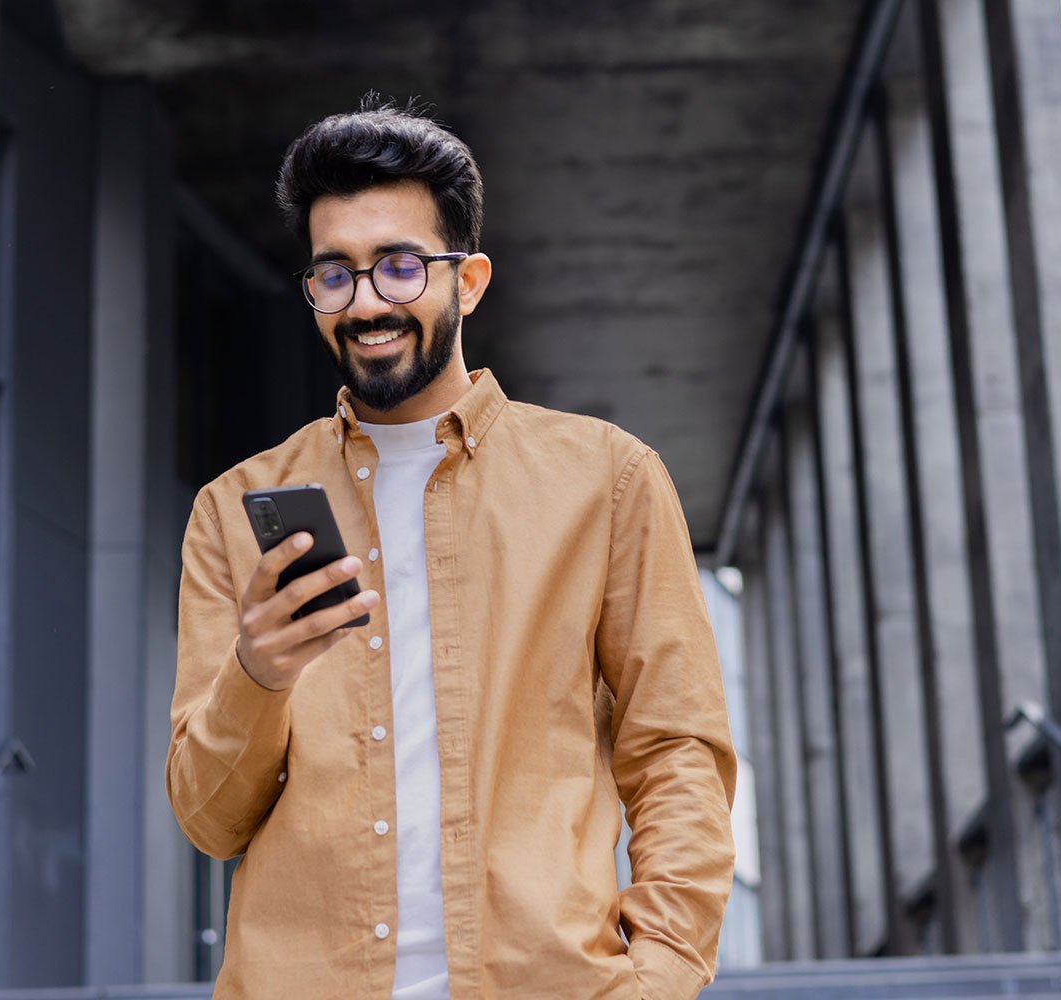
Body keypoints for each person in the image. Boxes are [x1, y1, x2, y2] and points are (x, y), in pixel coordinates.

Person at [167, 96, 737, 1000]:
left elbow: (676, 753)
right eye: (335, 275)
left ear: (467, 281)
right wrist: (258, 673)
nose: (366, 304)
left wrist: (660, 975)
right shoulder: (232, 510)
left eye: (399, 267)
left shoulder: (608, 480)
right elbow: (208, 819)